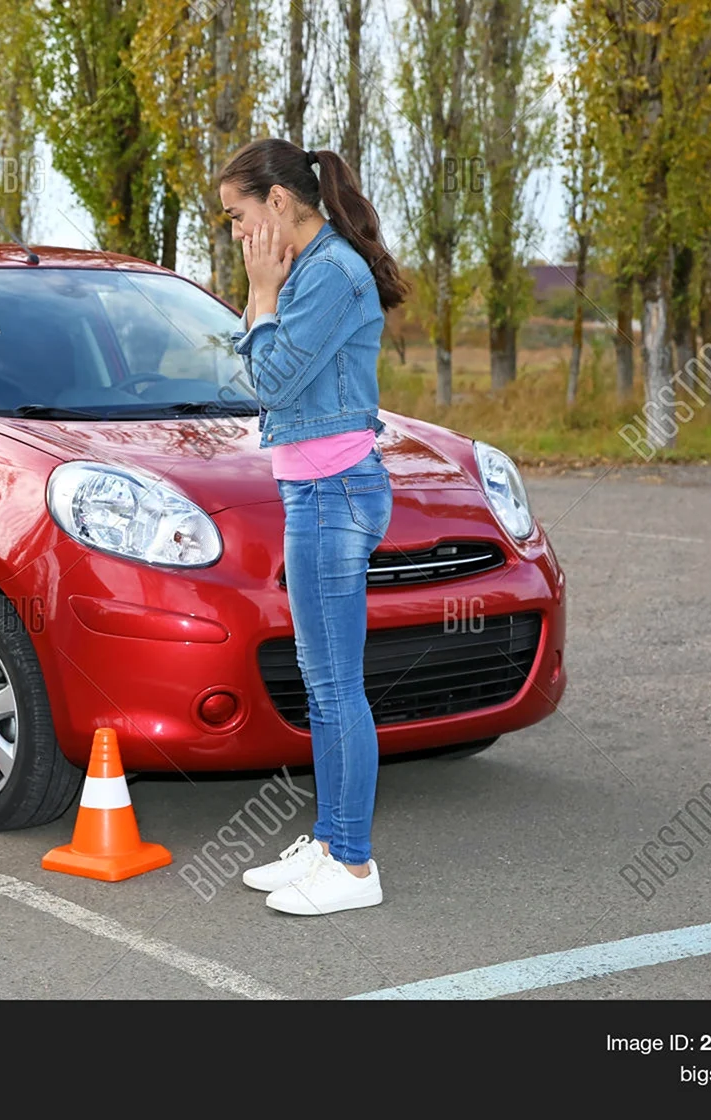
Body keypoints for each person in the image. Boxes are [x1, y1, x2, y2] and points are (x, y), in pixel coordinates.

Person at [219, 138, 410, 916]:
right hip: (314, 491)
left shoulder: (329, 273)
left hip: (334, 492)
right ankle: (330, 839)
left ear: (280, 202)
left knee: (335, 687)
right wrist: (263, 294)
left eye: (238, 215)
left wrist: (262, 295)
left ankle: (355, 867)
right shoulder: (304, 270)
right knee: (323, 682)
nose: (234, 232)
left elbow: (266, 374)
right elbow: (249, 364)